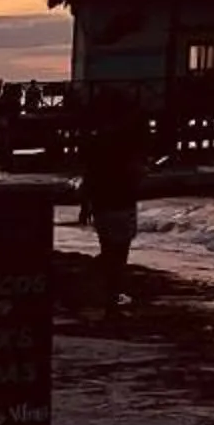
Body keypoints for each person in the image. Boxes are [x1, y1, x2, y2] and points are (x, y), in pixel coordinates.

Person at [77, 98, 149, 309]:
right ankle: (111, 291)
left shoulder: (96, 143)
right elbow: (135, 174)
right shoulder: (127, 144)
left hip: (102, 203)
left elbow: (89, 176)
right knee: (120, 251)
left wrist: (84, 205)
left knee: (109, 248)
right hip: (123, 202)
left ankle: (109, 289)